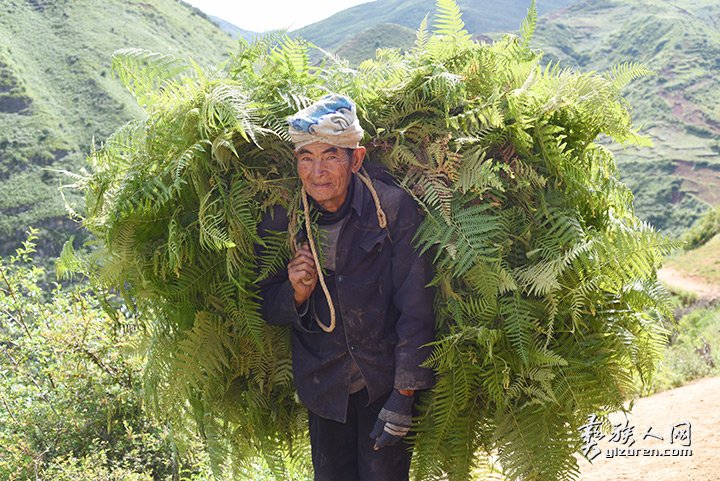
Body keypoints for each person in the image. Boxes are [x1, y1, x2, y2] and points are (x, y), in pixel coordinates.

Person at [256, 94, 436, 481]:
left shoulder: (390, 209)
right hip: (324, 389)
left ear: (356, 159)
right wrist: (296, 294)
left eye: (331, 156)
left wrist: (404, 396)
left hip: (381, 385)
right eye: (306, 156)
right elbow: (266, 305)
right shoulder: (281, 219)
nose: (317, 171)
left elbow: (416, 304)